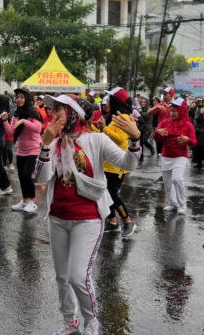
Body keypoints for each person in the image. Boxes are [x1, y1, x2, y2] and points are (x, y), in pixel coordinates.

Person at [34, 94, 141, 335]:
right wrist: (45, 144)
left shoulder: (96, 140)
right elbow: (40, 178)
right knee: (62, 277)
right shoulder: (52, 139)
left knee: (77, 276)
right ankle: (70, 323)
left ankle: (91, 321)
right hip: (57, 218)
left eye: (60, 109)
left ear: (74, 113)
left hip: (88, 218)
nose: (54, 114)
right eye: (54, 110)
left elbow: (128, 164)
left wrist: (135, 138)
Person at [100, 86, 138, 237]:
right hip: (108, 163)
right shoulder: (115, 117)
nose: (107, 102)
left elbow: (121, 139)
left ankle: (128, 221)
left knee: (112, 194)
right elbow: (106, 136)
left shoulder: (125, 118)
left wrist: (104, 129)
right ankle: (113, 221)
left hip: (118, 165)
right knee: (105, 193)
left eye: (110, 99)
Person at [154, 97, 197, 214]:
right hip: (165, 155)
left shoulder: (188, 125)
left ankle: (182, 204)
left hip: (180, 156)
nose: (172, 113)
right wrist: (158, 132)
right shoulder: (164, 122)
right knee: (167, 183)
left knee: (177, 179)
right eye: (171, 110)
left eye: (175, 111)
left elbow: (194, 142)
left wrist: (187, 139)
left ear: (182, 111)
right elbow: (156, 138)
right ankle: (173, 203)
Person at [4, 87, 42, 214]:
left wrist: (24, 121)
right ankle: (25, 201)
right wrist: (5, 121)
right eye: (17, 97)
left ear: (26, 99)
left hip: (33, 149)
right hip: (21, 149)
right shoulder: (16, 114)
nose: (19, 99)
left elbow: (38, 129)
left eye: (21, 97)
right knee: (21, 176)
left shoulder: (33, 112)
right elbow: (11, 132)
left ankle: (32, 202)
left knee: (27, 175)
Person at [192, 99, 204, 168]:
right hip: (197, 130)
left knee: (201, 145)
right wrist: (201, 114)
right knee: (197, 146)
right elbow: (197, 119)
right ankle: (199, 162)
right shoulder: (199, 110)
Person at [136, 97, 155, 161]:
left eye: (144, 102)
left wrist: (139, 113)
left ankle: (151, 148)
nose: (142, 103)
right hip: (141, 128)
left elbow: (146, 116)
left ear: (146, 103)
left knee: (143, 141)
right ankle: (141, 157)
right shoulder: (140, 109)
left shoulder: (149, 109)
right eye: (141, 102)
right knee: (140, 143)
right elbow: (139, 119)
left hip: (147, 128)